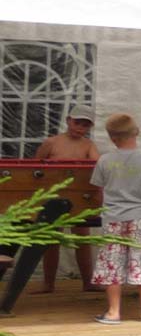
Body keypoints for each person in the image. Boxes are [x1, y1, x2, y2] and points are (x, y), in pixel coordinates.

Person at [89, 113, 141, 324]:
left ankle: (113, 312)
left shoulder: (104, 160)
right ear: (137, 132)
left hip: (113, 217)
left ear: (112, 138)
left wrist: (101, 208)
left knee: (112, 261)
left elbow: (98, 191)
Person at [32, 111, 101, 293]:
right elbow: (35, 169)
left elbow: (98, 166)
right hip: (53, 196)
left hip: (78, 196)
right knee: (52, 239)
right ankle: (48, 284)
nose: (80, 128)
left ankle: (88, 282)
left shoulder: (88, 145)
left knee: (82, 238)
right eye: (77, 123)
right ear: (68, 120)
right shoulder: (51, 142)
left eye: (85, 125)